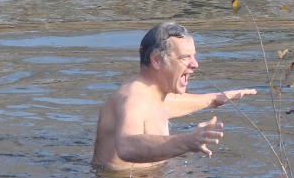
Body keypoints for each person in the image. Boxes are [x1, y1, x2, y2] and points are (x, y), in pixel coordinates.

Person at [91, 22, 257, 170]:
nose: (195, 64)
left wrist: (214, 99)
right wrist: (187, 141)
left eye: (193, 56)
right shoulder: (134, 98)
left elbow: (165, 105)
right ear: (156, 60)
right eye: (185, 57)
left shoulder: (152, 94)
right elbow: (126, 147)